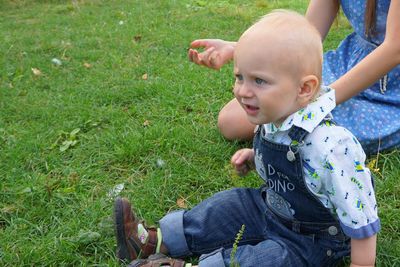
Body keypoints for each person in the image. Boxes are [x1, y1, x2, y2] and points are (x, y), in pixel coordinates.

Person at [114, 10, 380, 267]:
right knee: (228, 206)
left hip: (310, 240)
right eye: (240, 77)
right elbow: (293, 165)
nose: (242, 90)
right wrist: (255, 158)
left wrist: (362, 263)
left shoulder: (332, 146)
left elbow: (360, 212)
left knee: (264, 260)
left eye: (259, 81)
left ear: (304, 89)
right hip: (269, 208)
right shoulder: (275, 115)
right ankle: (154, 241)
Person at [188, 0, 400, 156]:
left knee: (314, 135)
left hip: (392, 87)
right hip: (350, 63)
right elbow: (305, 37)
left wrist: (321, 103)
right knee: (231, 121)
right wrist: (240, 48)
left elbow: (394, 49)